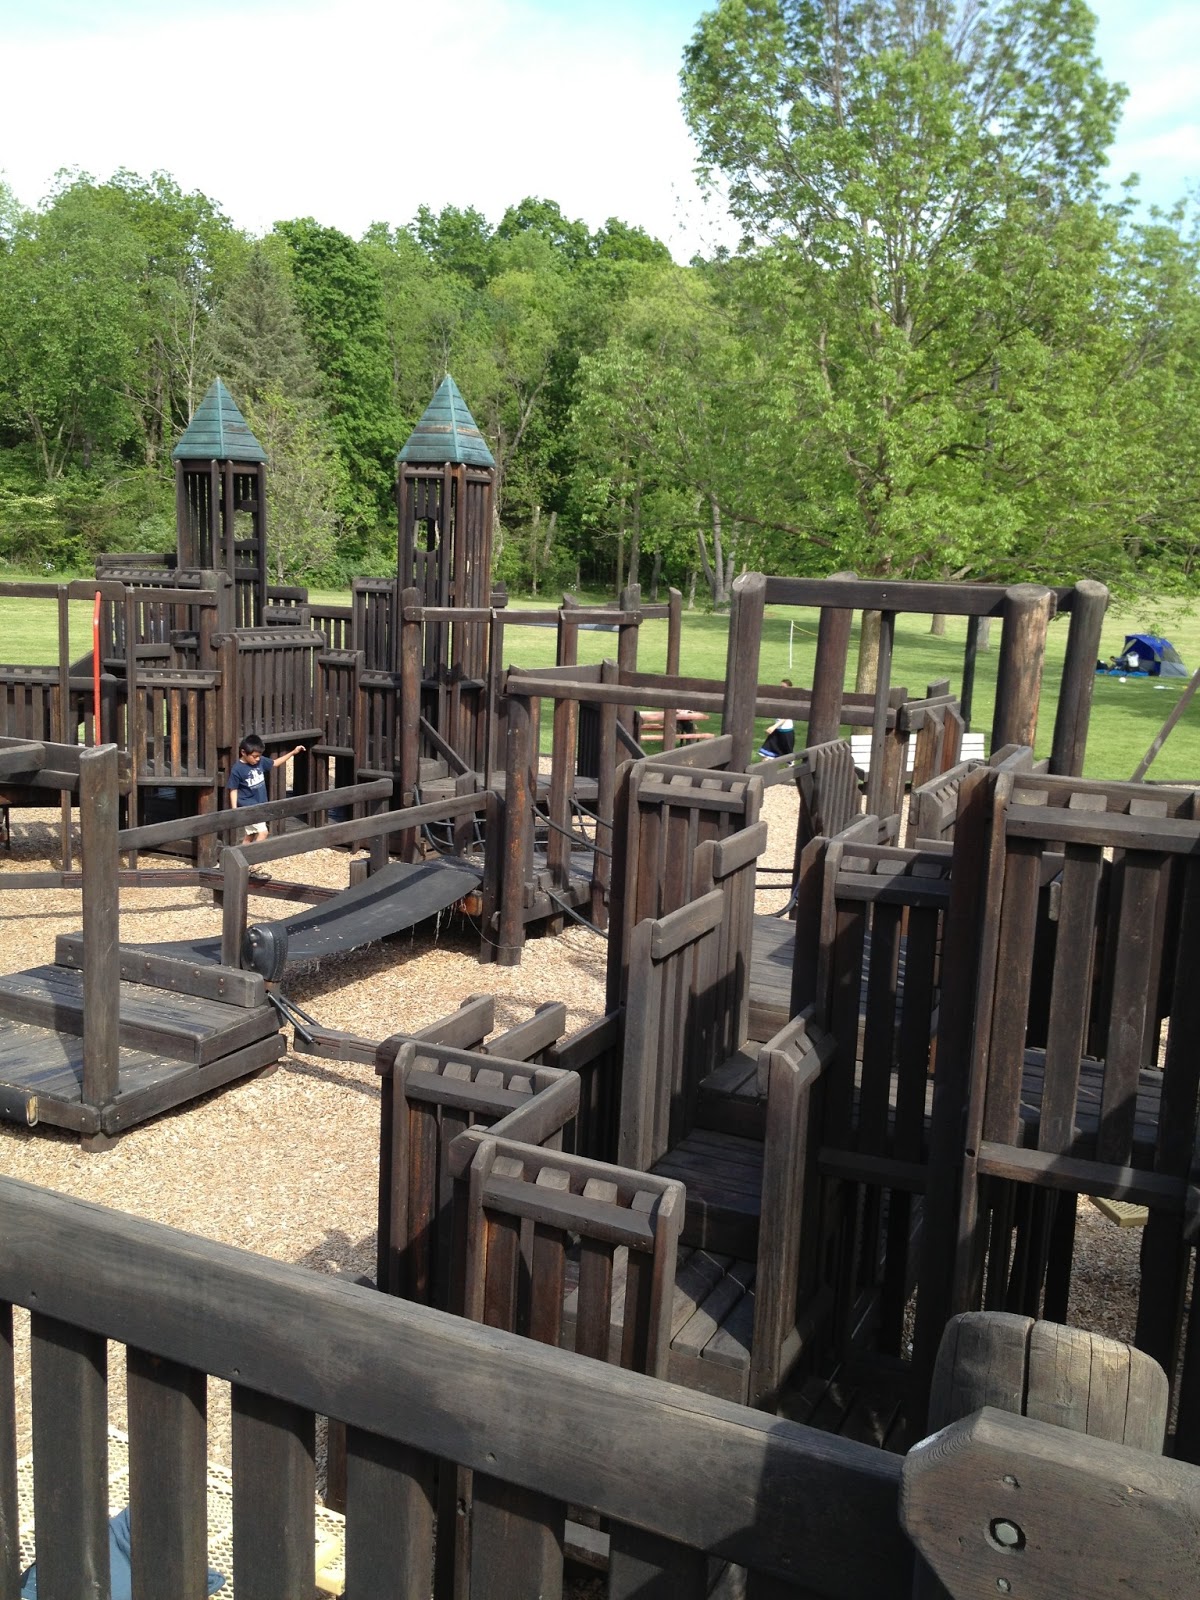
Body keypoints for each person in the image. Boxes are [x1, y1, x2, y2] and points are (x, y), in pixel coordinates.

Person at [227, 734, 305, 881]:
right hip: (249, 808)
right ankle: (254, 866)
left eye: (259, 756)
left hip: (260, 806)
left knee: (250, 836)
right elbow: (233, 789)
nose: (257, 759)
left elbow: (275, 763)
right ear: (243, 752)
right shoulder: (238, 769)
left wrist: (293, 753)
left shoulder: (260, 762)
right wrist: (234, 809)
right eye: (254, 756)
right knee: (263, 832)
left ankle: (237, 862)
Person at [758, 680, 795, 758]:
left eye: (784, 687)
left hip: (786, 732)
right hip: (777, 731)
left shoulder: (790, 700)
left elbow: (785, 717)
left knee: (788, 757)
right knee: (765, 754)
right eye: (780, 687)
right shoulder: (779, 698)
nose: (781, 689)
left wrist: (773, 727)